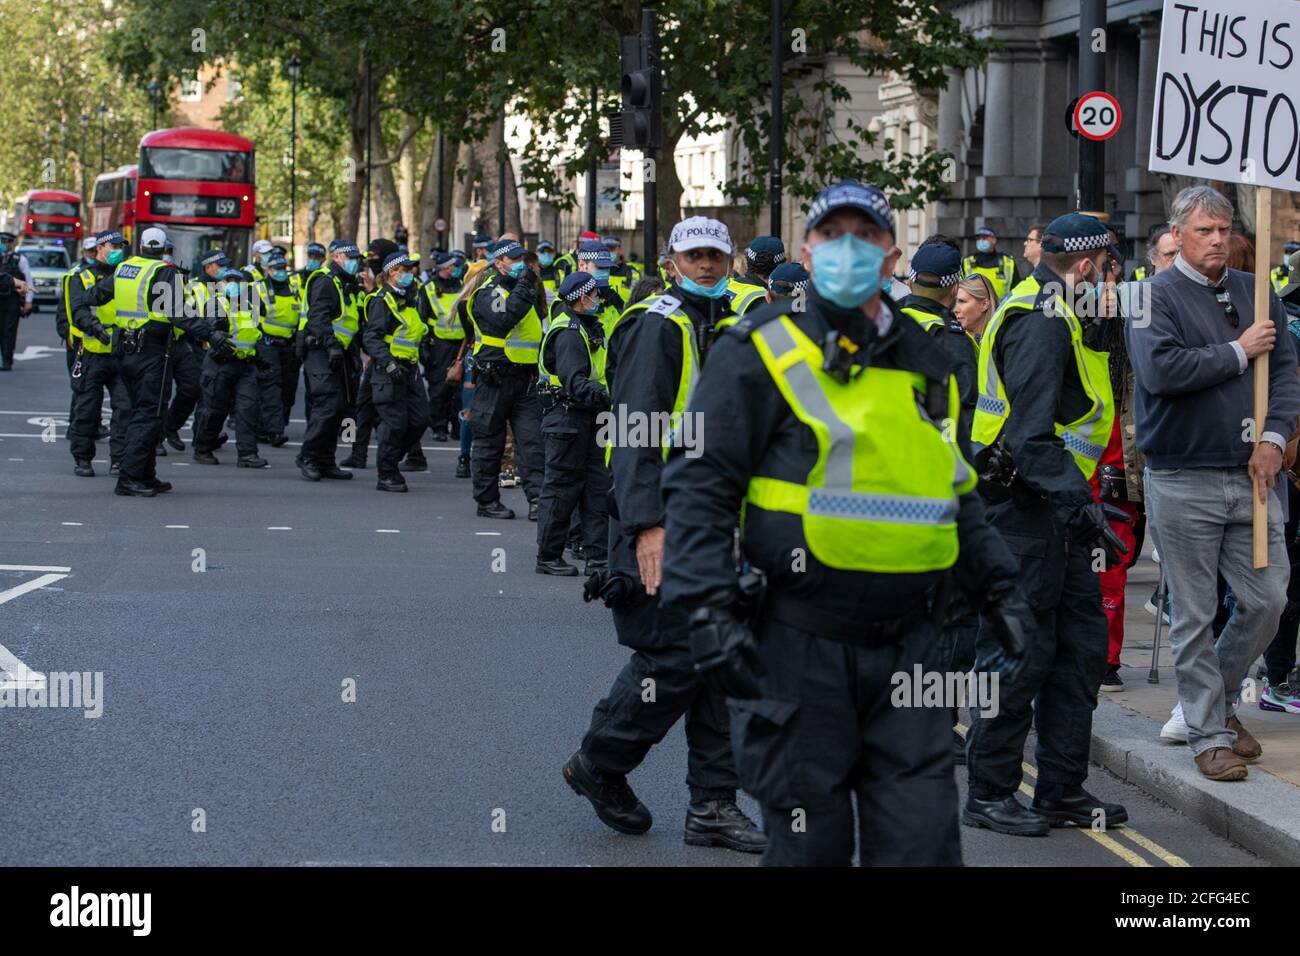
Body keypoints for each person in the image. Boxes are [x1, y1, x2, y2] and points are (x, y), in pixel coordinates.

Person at [659, 182, 1029, 866]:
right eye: (835, 236)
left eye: (867, 236)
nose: (850, 249)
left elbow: (950, 479)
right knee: (811, 851)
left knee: (923, 850)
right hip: (800, 646)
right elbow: (700, 484)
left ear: (893, 257)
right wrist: (704, 608)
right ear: (809, 250)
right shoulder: (759, 349)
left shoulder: (923, 356)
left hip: (914, 648)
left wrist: (1001, 589)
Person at [562, 215, 765, 854]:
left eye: (716, 255)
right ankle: (601, 761)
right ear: (674, 262)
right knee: (674, 658)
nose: (706, 265)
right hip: (664, 520)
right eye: (694, 256)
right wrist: (646, 526)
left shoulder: (735, 321)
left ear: (731, 260)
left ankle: (713, 806)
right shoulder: (659, 324)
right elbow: (633, 431)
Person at [1127, 185, 1300, 781]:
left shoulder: (1257, 292)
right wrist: (1236, 350)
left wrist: (1275, 439)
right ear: (1177, 235)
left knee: (1267, 599)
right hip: (1182, 476)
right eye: (1205, 231)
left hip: (1253, 474)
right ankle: (1207, 734)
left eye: (1225, 230)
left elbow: (1284, 371)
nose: (1219, 241)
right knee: (1194, 613)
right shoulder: (1151, 297)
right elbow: (1162, 370)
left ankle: (1216, 705)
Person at [966, 212, 1130, 834]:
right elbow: (1029, 440)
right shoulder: (1039, 322)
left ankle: (1060, 789)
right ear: (1086, 266)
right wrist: (1081, 506)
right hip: (1023, 519)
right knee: (1015, 660)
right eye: (1109, 269)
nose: (1114, 282)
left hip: (1059, 519)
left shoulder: (1065, 315)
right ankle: (988, 792)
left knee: (1078, 656)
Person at [98, 227, 226, 495]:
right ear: (164, 248)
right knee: (148, 415)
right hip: (151, 352)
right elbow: (176, 313)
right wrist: (210, 333)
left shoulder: (125, 267)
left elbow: (96, 295)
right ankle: (129, 479)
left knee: (145, 413)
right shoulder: (163, 271)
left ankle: (146, 474)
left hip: (127, 350)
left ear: (142, 246)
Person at [534, 272, 611, 576]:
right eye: (595, 294)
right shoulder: (568, 332)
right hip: (567, 417)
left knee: (597, 487)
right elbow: (576, 382)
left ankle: (598, 556)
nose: (599, 299)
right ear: (583, 297)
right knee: (562, 488)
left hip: (588, 416)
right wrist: (609, 395)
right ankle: (548, 556)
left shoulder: (586, 326)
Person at [465, 238, 544, 519]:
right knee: (489, 442)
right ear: (498, 263)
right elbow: (505, 318)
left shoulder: (524, 290)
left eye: (523, 259)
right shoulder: (488, 293)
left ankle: (538, 500)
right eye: (514, 260)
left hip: (524, 378)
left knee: (532, 442)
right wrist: (526, 285)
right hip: (495, 379)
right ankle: (486, 501)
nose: (521, 265)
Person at [899, 240, 978, 457]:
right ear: (954, 289)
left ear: (909, 283)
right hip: (933, 459)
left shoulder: (887, 322)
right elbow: (963, 410)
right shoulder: (952, 338)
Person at [363, 251, 430, 493]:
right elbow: (371, 338)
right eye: (406, 270)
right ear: (392, 272)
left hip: (409, 369)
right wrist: (388, 363)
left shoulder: (409, 298)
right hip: (389, 370)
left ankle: (392, 459)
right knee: (395, 423)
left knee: (420, 418)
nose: (411, 274)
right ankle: (387, 472)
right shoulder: (382, 300)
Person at [297, 238, 364, 482]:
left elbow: (352, 323)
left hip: (341, 354)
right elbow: (318, 319)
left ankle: (326, 460)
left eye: (357, 259)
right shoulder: (325, 281)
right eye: (351, 258)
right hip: (321, 351)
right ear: (336, 257)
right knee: (326, 406)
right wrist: (332, 345)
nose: (355, 263)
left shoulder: (348, 283)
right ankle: (308, 456)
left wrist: (353, 354)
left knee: (341, 410)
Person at [189, 268, 268, 468]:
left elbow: (254, 335)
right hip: (220, 365)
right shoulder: (215, 303)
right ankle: (203, 449)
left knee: (247, 409)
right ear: (221, 284)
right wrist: (218, 328)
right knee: (214, 410)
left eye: (237, 281)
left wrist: (261, 360)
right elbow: (211, 326)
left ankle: (248, 454)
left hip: (245, 366)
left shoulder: (250, 306)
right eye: (228, 280)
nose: (233, 284)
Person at [66, 231, 129, 477]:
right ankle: (83, 458)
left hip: (122, 352)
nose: (118, 251)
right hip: (93, 352)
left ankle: (119, 460)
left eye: (121, 246)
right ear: (100, 247)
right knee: (87, 409)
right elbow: (77, 310)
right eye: (114, 246)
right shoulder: (82, 276)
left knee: (125, 409)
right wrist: (96, 329)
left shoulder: (126, 275)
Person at [419, 252, 467, 442]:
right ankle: (439, 427)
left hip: (461, 344)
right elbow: (422, 317)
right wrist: (424, 346)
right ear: (446, 268)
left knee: (460, 390)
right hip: (439, 345)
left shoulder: (463, 285)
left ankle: (457, 426)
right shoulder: (428, 288)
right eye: (454, 266)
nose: (457, 269)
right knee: (439, 388)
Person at [251, 251, 297, 448]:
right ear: (267, 270)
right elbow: (249, 320)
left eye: (283, 268)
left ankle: (270, 426)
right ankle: (274, 431)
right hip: (266, 343)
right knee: (271, 387)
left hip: (289, 345)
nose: (280, 272)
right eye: (276, 269)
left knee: (288, 388)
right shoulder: (256, 288)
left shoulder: (295, 288)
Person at [0, 229, 34, 369]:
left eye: (6, 242)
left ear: (12, 243)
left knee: (9, 330)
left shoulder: (19, 259)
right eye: (2, 241)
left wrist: (28, 301)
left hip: (12, 300)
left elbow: (28, 281)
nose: (3, 244)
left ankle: (7, 360)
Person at [964, 226, 1018, 302]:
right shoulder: (967, 262)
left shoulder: (1008, 263)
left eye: (984, 238)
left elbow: (1016, 290)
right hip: (974, 310)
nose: (981, 241)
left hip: (1000, 310)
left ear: (994, 240)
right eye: (978, 238)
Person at [954, 273, 997, 343]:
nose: (954, 310)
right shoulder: (950, 341)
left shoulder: (1002, 340)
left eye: (962, 301)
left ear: (984, 305)